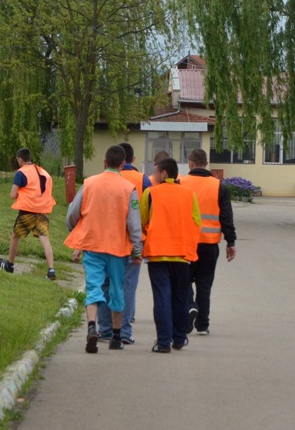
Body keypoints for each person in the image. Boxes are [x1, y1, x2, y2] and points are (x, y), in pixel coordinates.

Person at [64, 145, 143, 353]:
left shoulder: (89, 184)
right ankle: (116, 337)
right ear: (123, 164)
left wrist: (76, 231)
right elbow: (134, 225)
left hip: (92, 246)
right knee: (117, 290)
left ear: (104, 162)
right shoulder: (128, 189)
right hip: (118, 249)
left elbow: (73, 213)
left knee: (94, 287)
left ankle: (92, 327)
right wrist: (137, 251)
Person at [140, 157, 201, 353]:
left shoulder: (150, 193)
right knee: (179, 298)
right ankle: (180, 337)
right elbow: (196, 221)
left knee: (162, 298)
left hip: (158, 254)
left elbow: (143, 221)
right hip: (182, 255)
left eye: (156, 172)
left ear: (164, 174)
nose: (154, 176)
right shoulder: (189, 195)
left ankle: (163, 342)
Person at [96, 143, 152, 343]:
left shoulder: (97, 182)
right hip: (129, 242)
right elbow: (146, 210)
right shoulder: (141, 180)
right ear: (131, 160)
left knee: (104, 284)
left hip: (103, 241)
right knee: (127, 286)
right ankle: (125, 332)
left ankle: (105, 329)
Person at [179, 149, 237, 335]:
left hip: (185, 243)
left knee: (183, 281)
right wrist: (231, 242)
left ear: (191, 163)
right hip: (209, 244)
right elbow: (226, 217)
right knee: (204, 284)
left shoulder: (181, 183)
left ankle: (189, 307)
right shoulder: (218, 186)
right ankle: (202, 325)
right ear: (206, 163)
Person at [0, 148, 57, 280]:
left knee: (15, 236)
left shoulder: (21, 173)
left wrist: (20, 194)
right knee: (45, 239)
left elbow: (12, 194)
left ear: (20, 159)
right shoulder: (44, 172)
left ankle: (10, 265)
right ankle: (51, 269)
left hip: (27, 211)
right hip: (42, 211)